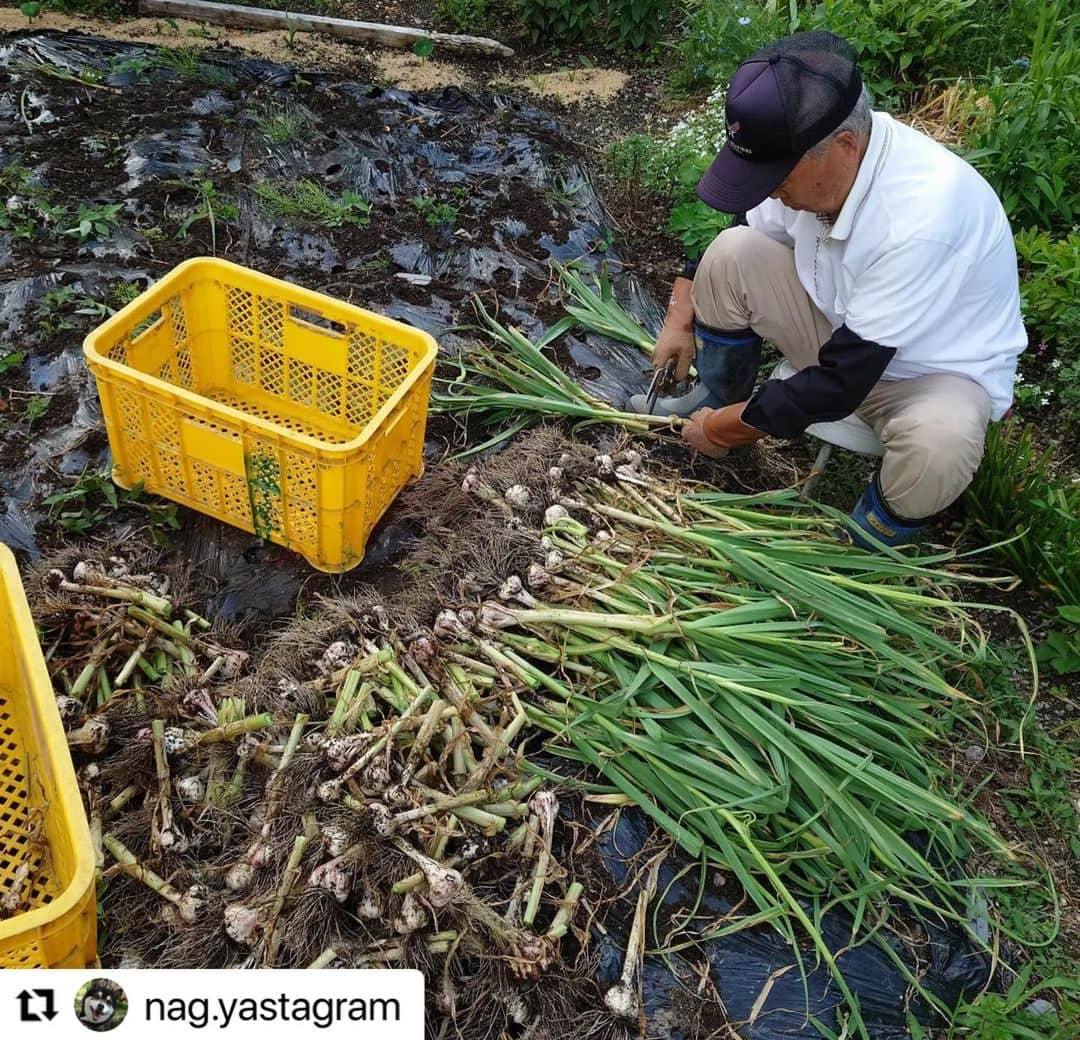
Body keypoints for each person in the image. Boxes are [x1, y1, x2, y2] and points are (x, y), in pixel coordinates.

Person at [632, 31, 1027, 548]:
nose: (771, 189)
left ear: (843, 146)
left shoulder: (923, 217)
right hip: (843, 330)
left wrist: (729, 429)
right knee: (732, 251)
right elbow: (743, 219)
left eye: (777, 176)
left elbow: (843, 380)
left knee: (940, 444)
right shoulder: (815, 160)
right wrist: (679, 314)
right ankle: (715, 396)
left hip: (925, 376)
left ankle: (866, 544)